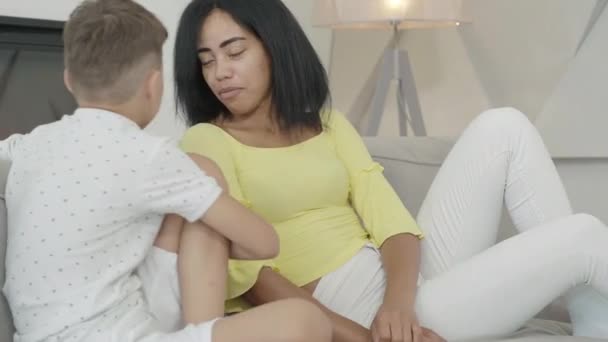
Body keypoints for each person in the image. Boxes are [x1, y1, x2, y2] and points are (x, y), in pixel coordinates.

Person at [173, 0, 608, 341]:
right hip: (353, 312)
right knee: (584, 233)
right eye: (207, 60)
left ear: (273, 45)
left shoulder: (326, 123)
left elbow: (389, 219)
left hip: (402, 293)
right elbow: (250, 278)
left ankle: (592, 320)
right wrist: (371, 335)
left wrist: (398, 303)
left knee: (505, 125)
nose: (220, 73)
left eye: (234, 52)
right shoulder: (206, 141)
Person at [0, 1, 333, 341]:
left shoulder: (31, 143)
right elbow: (264, 243)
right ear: (154, 84)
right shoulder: (150, 157)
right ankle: (203, 330)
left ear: (69, 80)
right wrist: (213, 240)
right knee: (306, 319)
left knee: (196, 186)